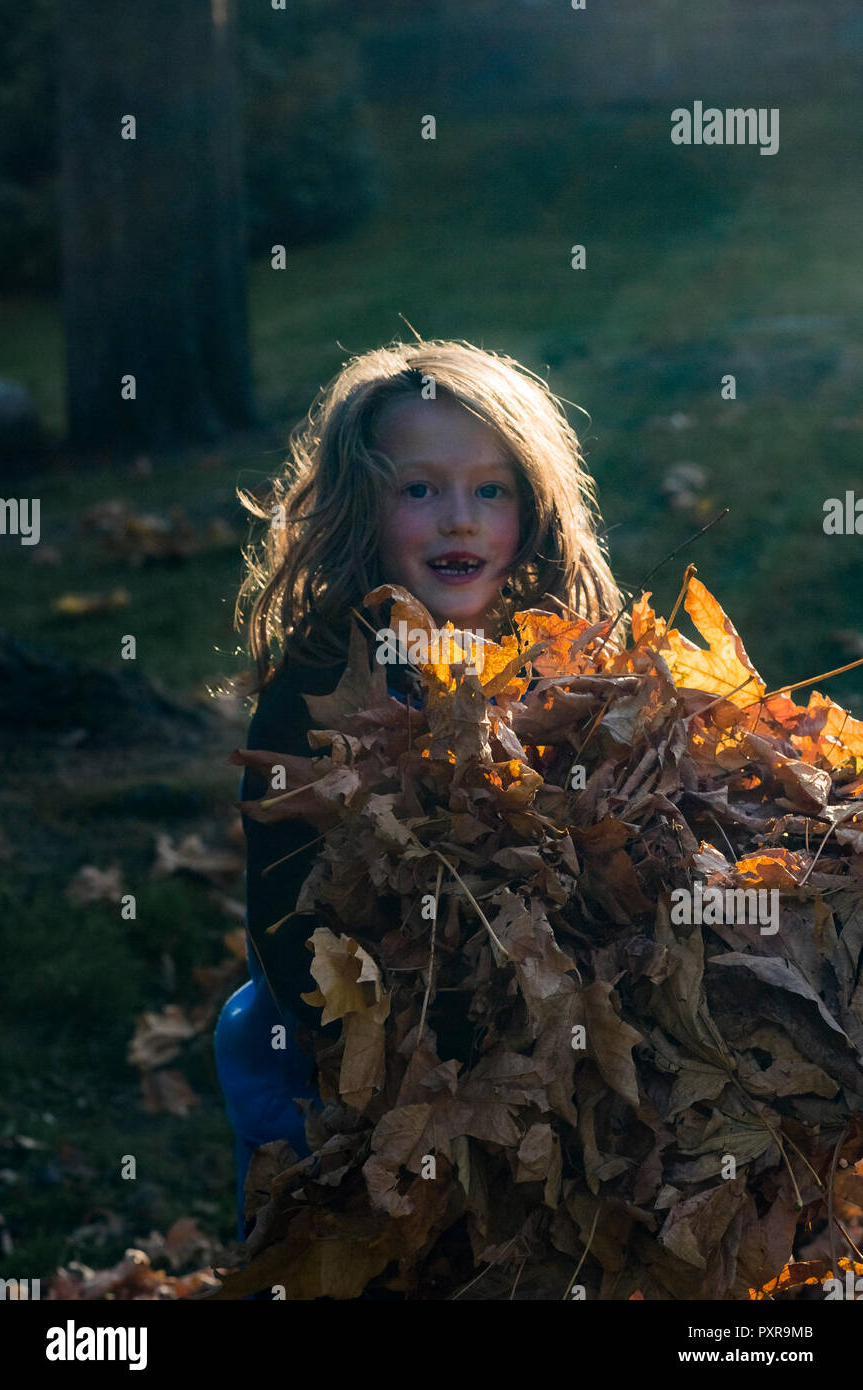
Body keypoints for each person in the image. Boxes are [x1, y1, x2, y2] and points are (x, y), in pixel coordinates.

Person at [214, 337, 621, 1243]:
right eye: (419, 489)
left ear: (534, 508)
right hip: (331, 1057)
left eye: (490, 490)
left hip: (530, 1049)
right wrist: (381, 1059)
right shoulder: (320, 685)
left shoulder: (565, 668)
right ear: (364, 504)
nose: (459, 521)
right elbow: (282, 917)